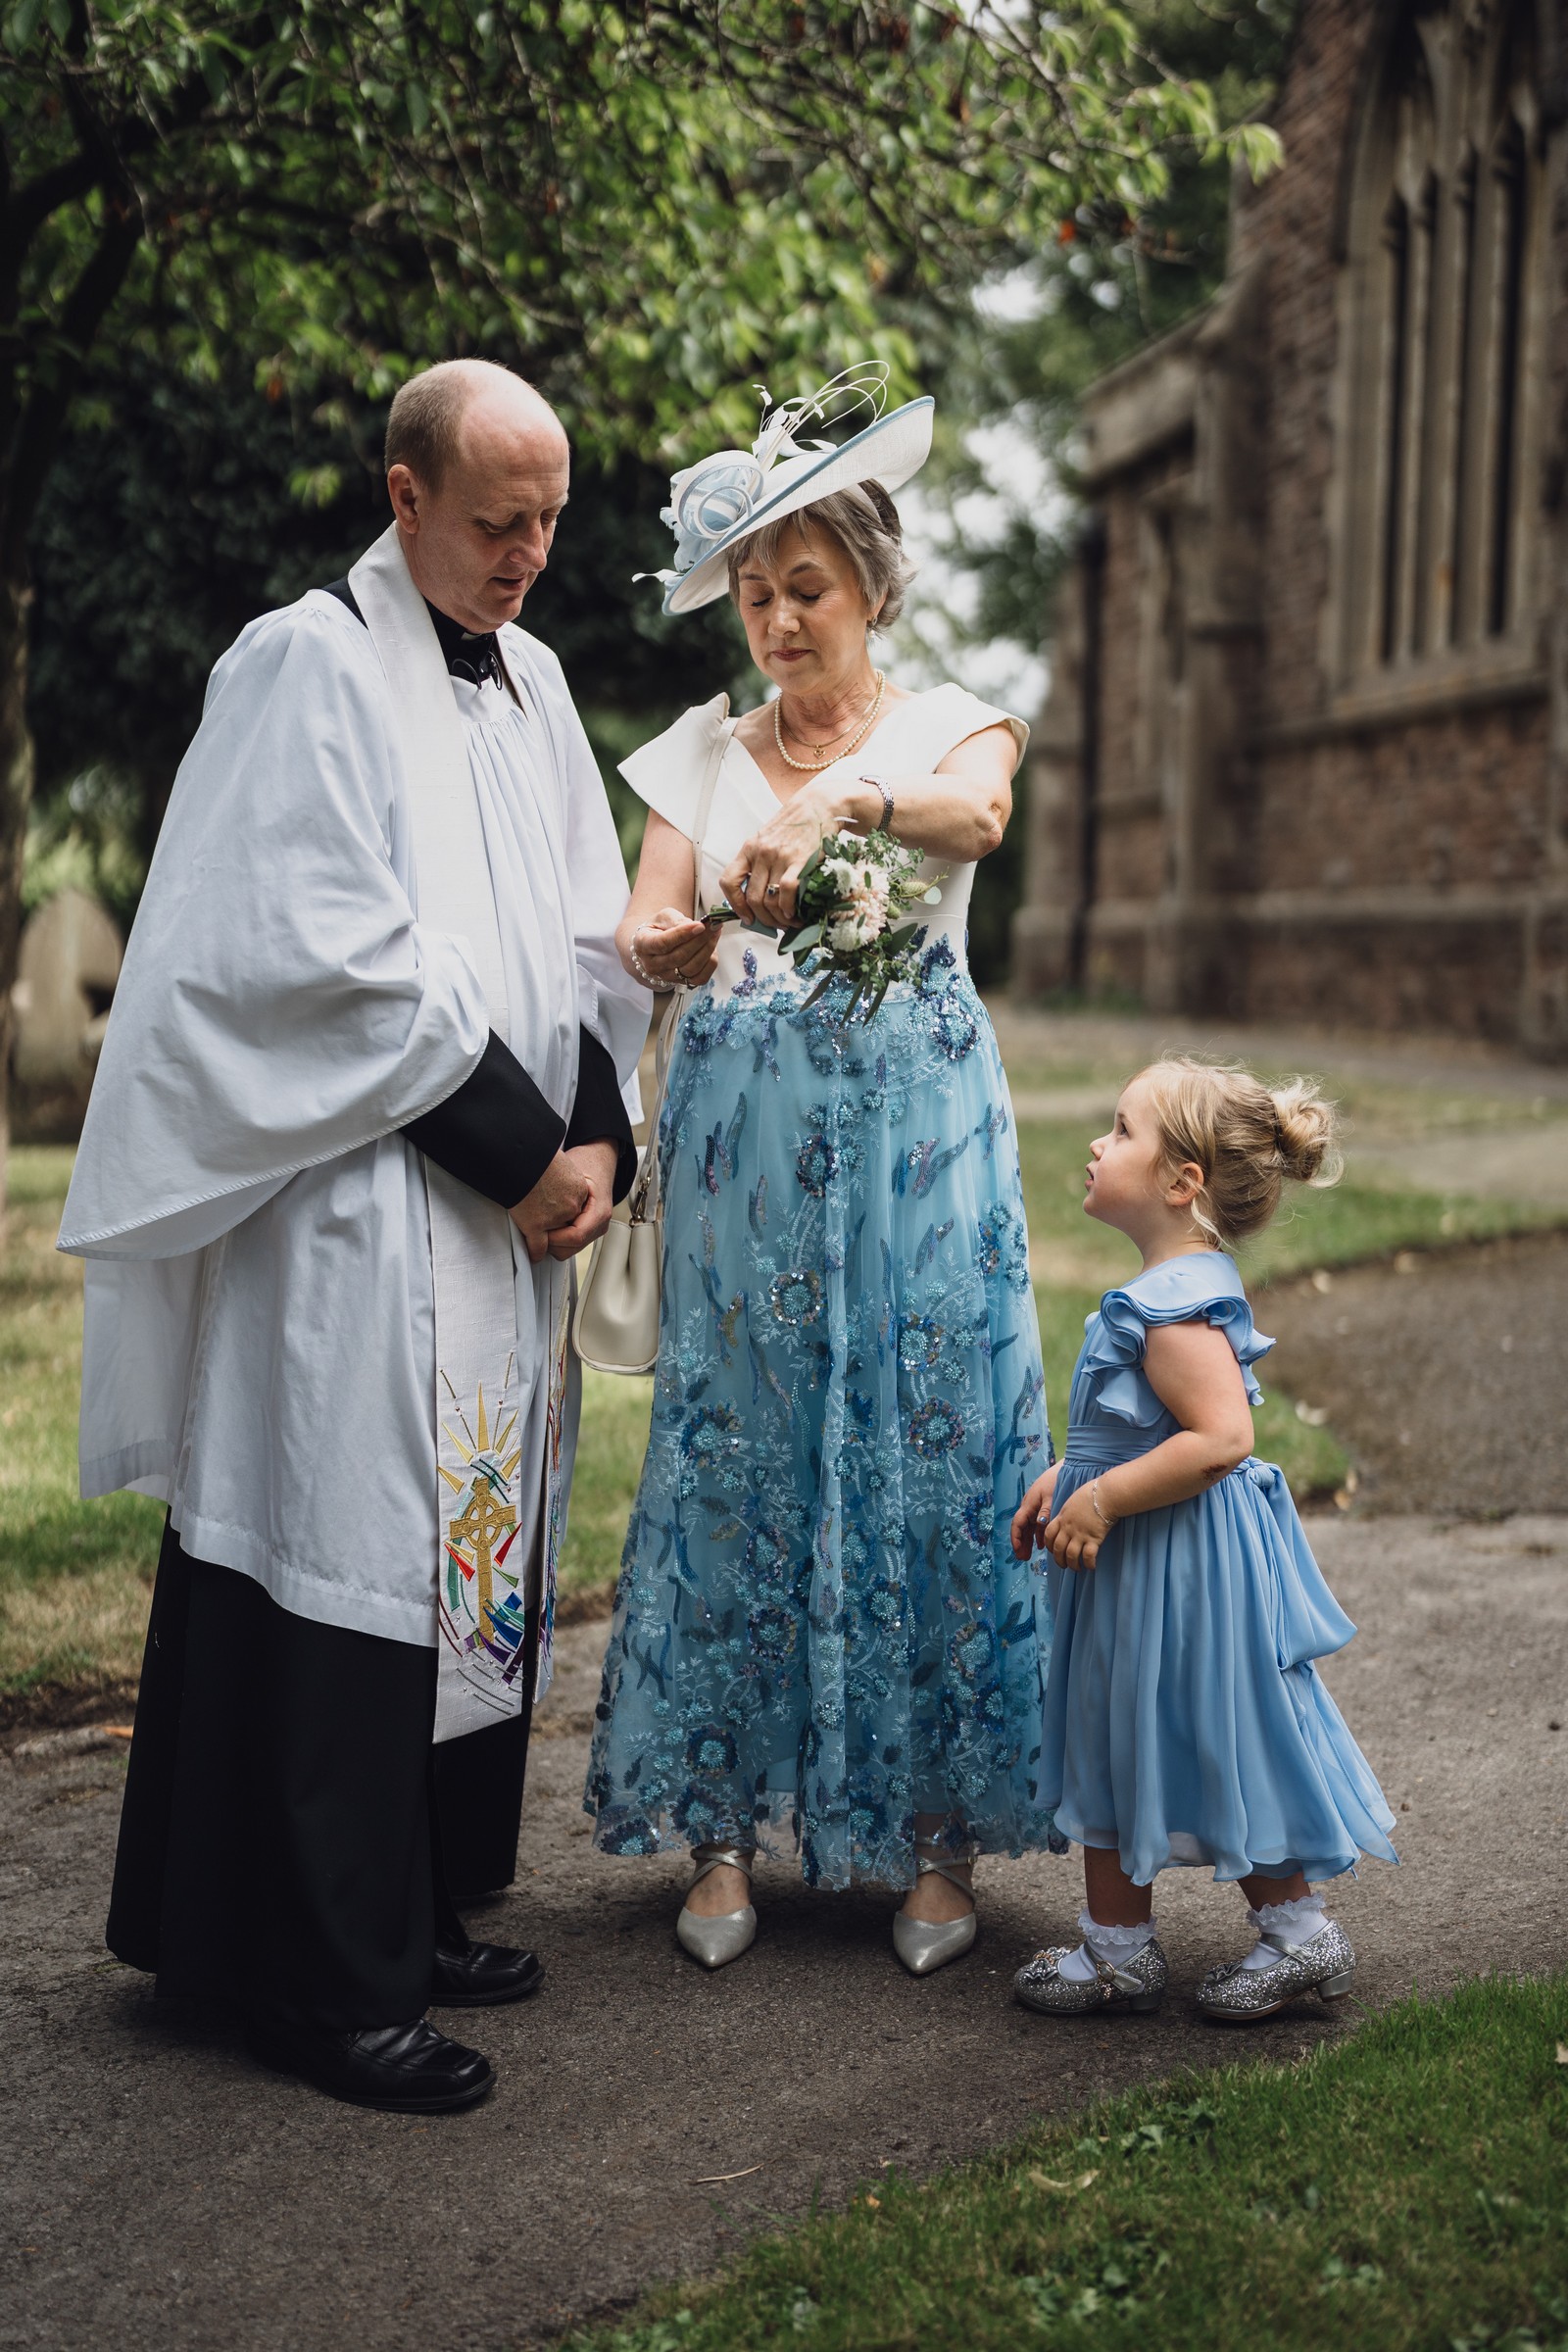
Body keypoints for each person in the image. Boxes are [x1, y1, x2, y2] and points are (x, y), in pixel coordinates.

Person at [58, 360, 649, 2111]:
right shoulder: (302, 662)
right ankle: (322, 1981)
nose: (531, 554)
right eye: (496, 522)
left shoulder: (533, 680)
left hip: (502, 1216)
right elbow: (310, 952)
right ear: (404, 498)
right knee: (347, 1545)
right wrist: (513, 1149)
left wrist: (598, 1132)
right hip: (359, 1211)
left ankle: (404, 1901)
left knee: (459, 1550)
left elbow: (586, 936)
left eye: (550, 522)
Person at [583, 369, 1058, 1974]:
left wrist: (849, 795)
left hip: (919, 1146)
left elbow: (977, 822)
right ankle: (718, 1832)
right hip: (747, 1150)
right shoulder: (695, 754)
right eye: (756, 596)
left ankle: (937, 1845)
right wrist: (672, 932)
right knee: (741, 1452)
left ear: (870, 584)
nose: (779, 622)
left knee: (928, 1449)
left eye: (807, 589)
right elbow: (649, 923)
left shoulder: (951, 725)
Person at [1008, 1058, 1397, 2021]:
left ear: (1180, 1182)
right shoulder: (1162, 1290)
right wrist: (1072, 1478)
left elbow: (1221, 1437)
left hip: (1178, 1580)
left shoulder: (1172, 1311)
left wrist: (1100, 1504)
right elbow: (1135, 1427)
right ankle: (1116, 1950)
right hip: (1143, 1571)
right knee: (1113, 1732)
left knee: (1214, 1739)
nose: (1098, 1144)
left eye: (1122, 1129)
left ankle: (1302, 1939)